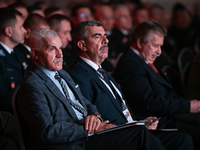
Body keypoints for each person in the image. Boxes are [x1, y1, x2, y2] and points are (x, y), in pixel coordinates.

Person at [18, 28, 167, 150]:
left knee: (150, 134)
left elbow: (87, 104)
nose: (60, 54)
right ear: (35, 54)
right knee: (139, 134)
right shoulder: (32, 85)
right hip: (77, 143)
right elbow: (48, 132)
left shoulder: (62, 73)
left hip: (93, 134)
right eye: (52, 49)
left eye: (60, 48)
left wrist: (94, 116)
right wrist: (91, 128)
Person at [67, 20, 193, 150]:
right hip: (113, 136)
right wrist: (132, 127)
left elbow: (121, 109)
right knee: (143, 135)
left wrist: (140, 122)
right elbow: (90, 119)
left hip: (132, 129)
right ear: (82, 45)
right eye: (98, 36)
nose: (106, 41)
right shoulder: (77, 75)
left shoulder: (102, 72)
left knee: (182, 139)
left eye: (105, 36)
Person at [112, 20, 200, 150]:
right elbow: (150, 101)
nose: (159, 52)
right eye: (155, 46)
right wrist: (189, 106)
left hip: (166, 115)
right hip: (153, 122)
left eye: (160, 46)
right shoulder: (130, 65)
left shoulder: (143, 60)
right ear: (140, 42)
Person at [0, 7, 27, 113]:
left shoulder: (18, 53)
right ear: (8, 31)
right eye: (21, 27)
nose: (25, 31)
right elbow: (3, 100)